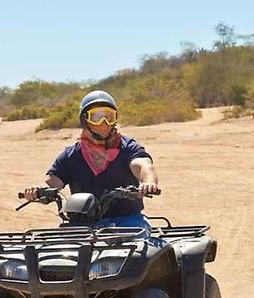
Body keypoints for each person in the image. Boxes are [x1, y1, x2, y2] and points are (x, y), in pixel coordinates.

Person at [23, 90, 159, 235]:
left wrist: (148, 182)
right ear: (85, 120)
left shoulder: (127, 147)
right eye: (97, 117)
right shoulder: (71, 155)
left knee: (138, 249)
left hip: (127, 220)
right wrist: (37, 191)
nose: (104, 123)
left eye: (109, 117)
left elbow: (143, 165)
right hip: (82, 223)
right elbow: (53, 181)